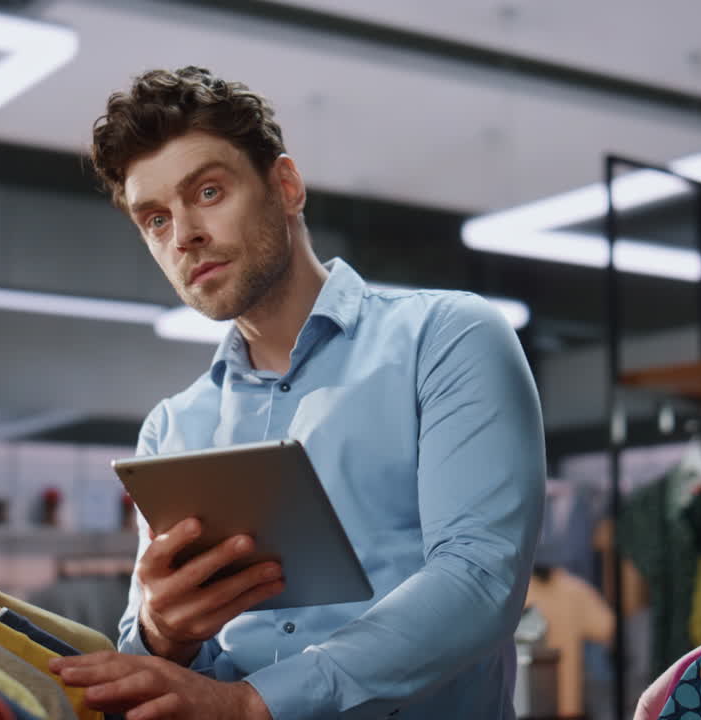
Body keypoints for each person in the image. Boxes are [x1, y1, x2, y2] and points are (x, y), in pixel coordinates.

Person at [50, 66, 545, 720]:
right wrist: (162, 632)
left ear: (285, 186)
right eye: (155, 219)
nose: (184, 235)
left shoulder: (447, 338)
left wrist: (254, 705)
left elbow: (479, 581)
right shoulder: (171, 430)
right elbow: (155, 656)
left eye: (207, 191)